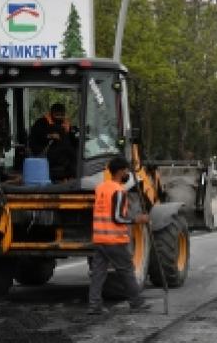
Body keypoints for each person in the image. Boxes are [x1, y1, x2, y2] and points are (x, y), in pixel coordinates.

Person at [88, 156, 150, 315]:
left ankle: (94, 305)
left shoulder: (100, 188)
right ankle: (136, 302)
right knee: (127, 270)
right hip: (114, 239)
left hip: (99, 238)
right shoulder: (119, 191)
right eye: (127, 170)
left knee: (98, 273)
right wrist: (138, 219)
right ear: (121, 171)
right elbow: (118, 217)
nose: (128, 173)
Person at [28, 102, 79, 179]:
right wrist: (50, 135)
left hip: (62, 150)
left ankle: (73, 174)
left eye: (61, 115)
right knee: (68, 151)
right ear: (52, 113)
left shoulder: (66, 124)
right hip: (42, 151)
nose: (59, 118)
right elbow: (36, 137)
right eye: (57, 115)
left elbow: (73, 140)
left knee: (73, 151)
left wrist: (71, 132)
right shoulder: (41, 122)